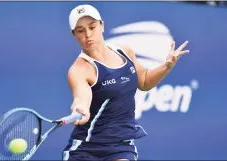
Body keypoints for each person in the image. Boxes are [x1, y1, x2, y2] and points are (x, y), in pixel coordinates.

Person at [62, 4, 189, 161]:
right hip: (85, 148)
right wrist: (80, 108)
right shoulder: (79, 69)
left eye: (92, 27)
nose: (88, 34)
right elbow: (81, 98)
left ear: (102, 25)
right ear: (74, 35)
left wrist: (167, 66)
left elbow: (144, 81)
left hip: (120, 146)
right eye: (81, 31)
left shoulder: (125, 51)